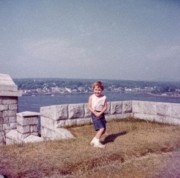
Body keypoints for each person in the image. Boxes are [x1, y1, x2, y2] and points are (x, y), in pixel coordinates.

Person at [88, 81, 107, 148]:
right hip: (95, 114)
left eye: (99, 90)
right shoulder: (91, 97)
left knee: (104, 130)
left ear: (102, 90)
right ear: (93, 89)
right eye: (96, 90)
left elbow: (105, 107)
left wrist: (100, 113)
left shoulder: (104, 97)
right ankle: (97, 143)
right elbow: (89, 107)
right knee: (101, 128)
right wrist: (95, 113)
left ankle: (94, 140)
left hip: (101, 114)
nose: (97, 91)